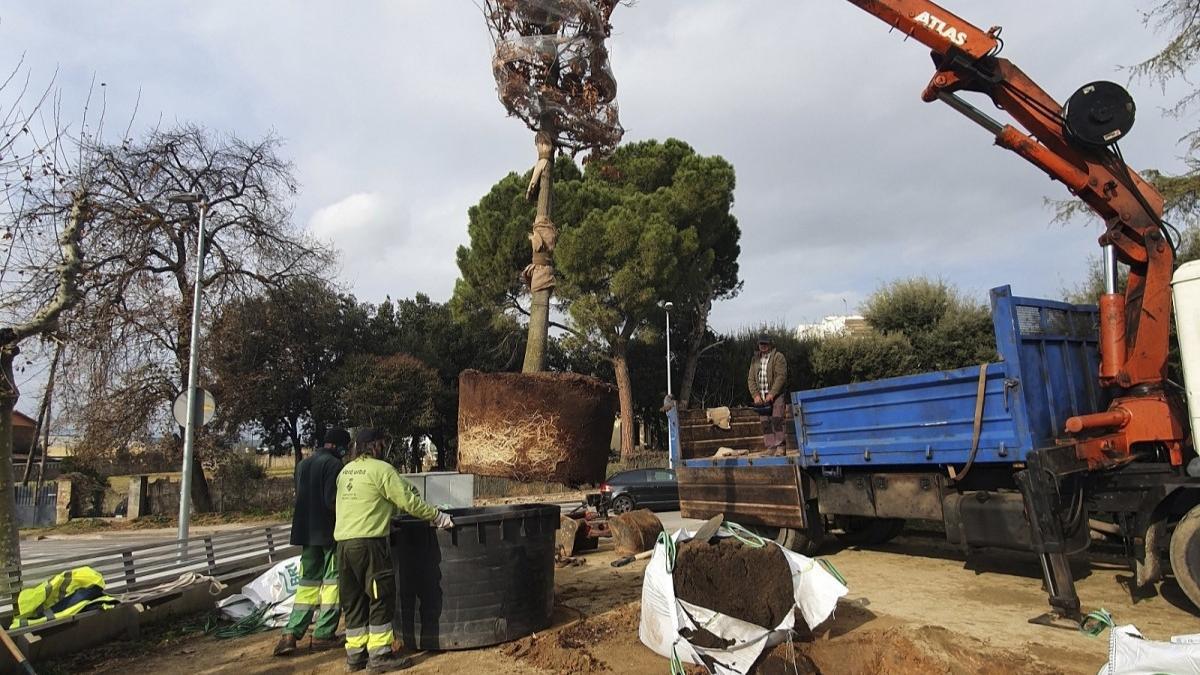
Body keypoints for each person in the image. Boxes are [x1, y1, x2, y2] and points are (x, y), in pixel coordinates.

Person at [336, 428, 454, 673]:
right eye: (381, 444)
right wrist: (437, 516)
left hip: (343, 546)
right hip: (369, 544)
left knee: (354, 600)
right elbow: (407, 502)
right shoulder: (382, 470)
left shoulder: (345, 471)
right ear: (374, 446)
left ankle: (355, 657)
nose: (383, 448)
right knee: (381, 597)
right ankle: (379, 656)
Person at [274, 427, 351, 657]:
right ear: (338, 445)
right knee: (333, 582)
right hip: (328, 533)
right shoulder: (334, 465)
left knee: (307, 582)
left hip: (306, 533)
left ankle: (290, 633)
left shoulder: (302, 465)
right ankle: (324, 633)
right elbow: (331, 501)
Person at [747, 333, 788, 456]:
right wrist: (755, 395)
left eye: (765, 343)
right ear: (758, 345)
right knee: (765, 422)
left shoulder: (778, 357)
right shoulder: (755, 360)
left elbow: (781, 376)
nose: (763, 346)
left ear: (770, 344)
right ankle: (770, 447)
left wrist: (772, 393)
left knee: (777, 419)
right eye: (761, 344)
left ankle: (780, 446)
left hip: (776, 395)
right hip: (761, 396)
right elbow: (751, 379)